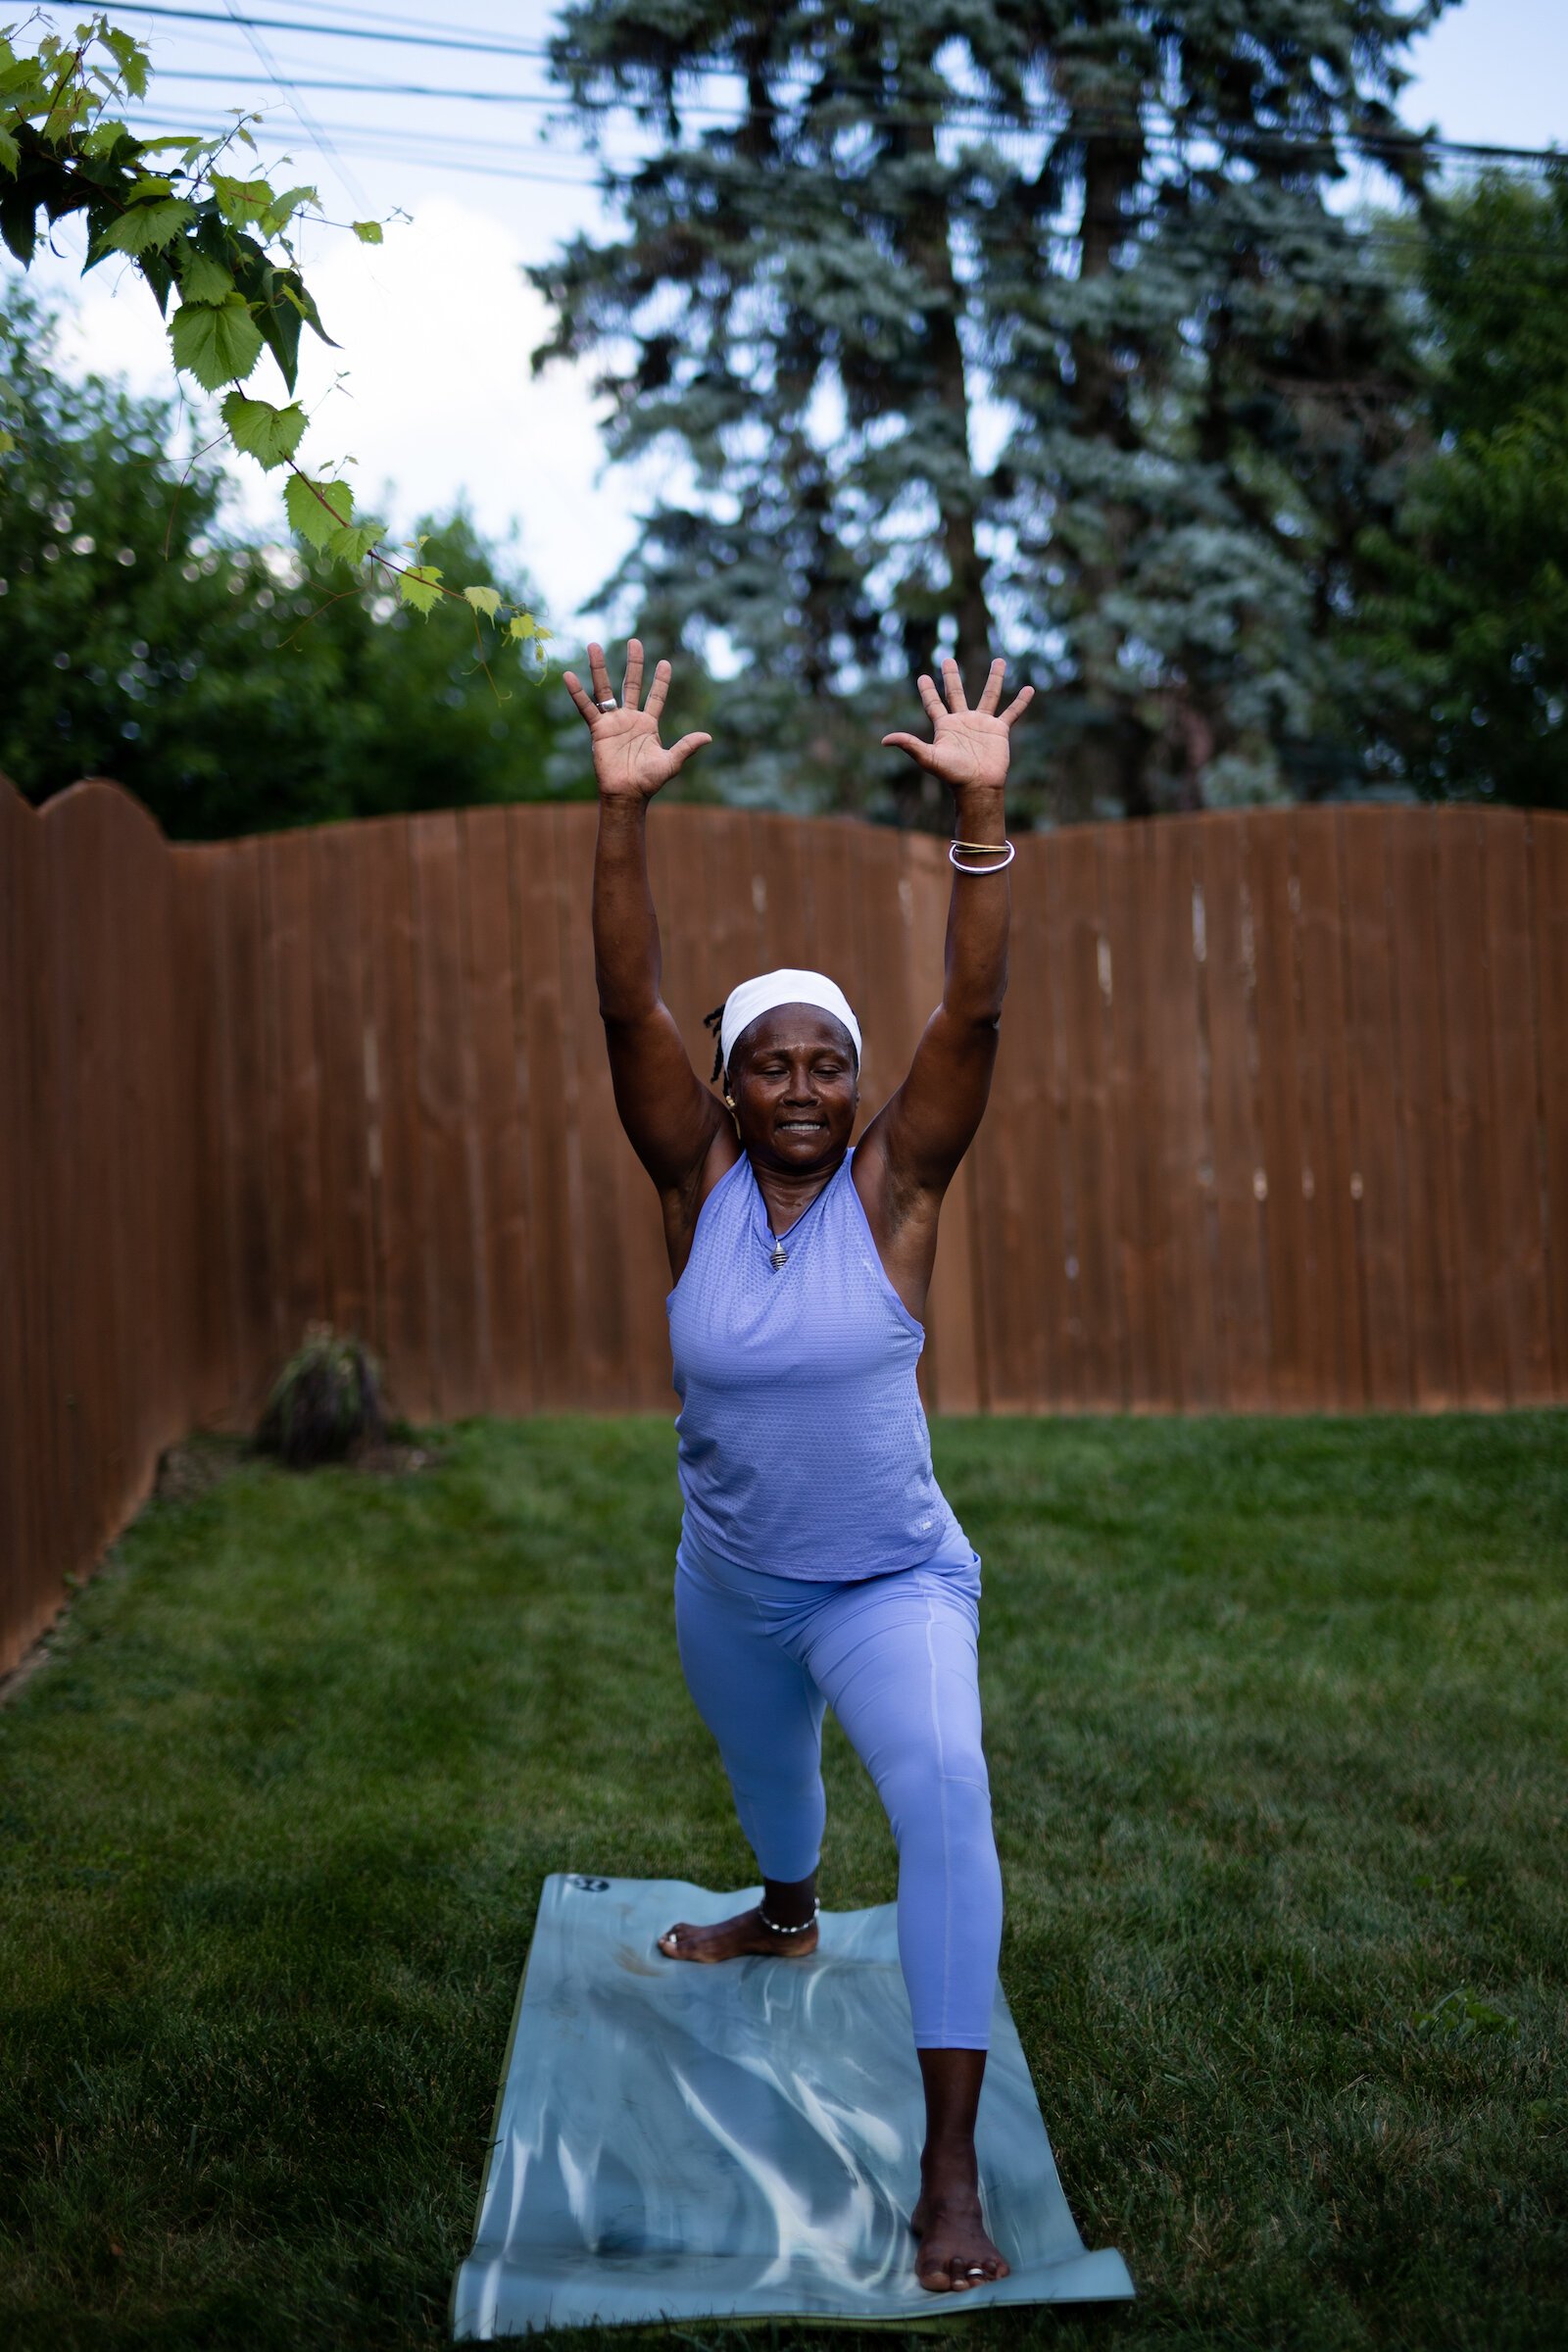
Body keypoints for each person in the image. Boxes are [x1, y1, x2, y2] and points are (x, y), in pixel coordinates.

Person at [564, 635, 1034, 2294]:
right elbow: (625, 998)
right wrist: (620, 816)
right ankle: (782, 1907)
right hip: (734, 1578)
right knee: (777, 1803)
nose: (804, 1090)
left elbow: (971, 1004)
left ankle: (952, 2174)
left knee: (948, 1798)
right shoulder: (690, 1185)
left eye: (827, 1063)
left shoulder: (898, 1194)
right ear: (732, 1083)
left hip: (891, 1580)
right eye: (772, 1063)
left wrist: (980, 814)